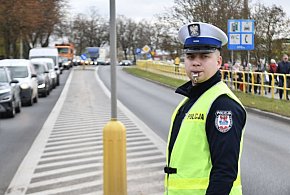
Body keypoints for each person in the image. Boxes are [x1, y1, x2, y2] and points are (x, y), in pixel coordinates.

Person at [164, 22, 247, 195]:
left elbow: (224, 172)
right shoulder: (193, 98)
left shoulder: (222, 105)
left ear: (218, 62)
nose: (196, 63)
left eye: (204, 56)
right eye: (191, 57)